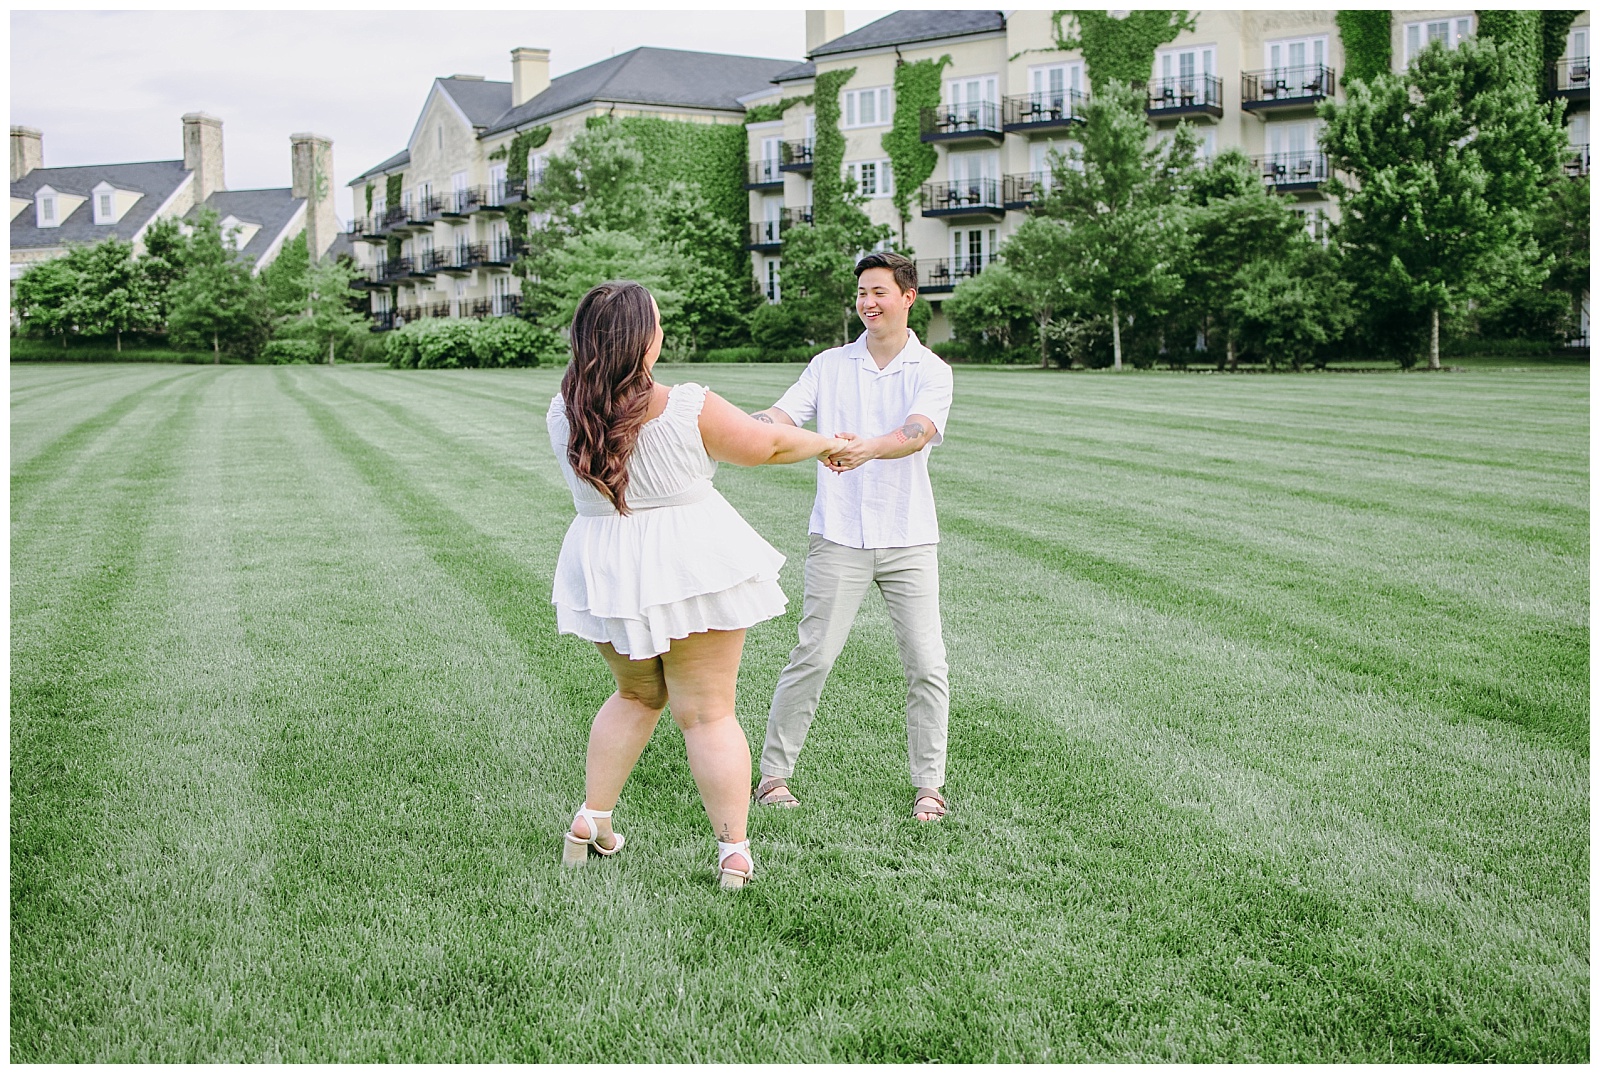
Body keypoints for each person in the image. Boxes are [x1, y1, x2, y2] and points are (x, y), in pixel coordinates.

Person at [548, 280, 845, 890]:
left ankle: (591, 819)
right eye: (656, 325)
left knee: (635, 696)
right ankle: (734, 851)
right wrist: (828, 443)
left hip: (606, 563)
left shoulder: (563, 411)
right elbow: (766, 445)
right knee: (708, 713)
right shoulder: (686, 404)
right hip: (689, 560)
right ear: (644, 344)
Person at [749, 252, 955, 822]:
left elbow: (917, 433)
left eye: (879, 292)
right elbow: (783, 414)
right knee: (812, 655)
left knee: (927, 664)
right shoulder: (829, 364)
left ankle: (929, 788)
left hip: (908, 538)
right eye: (862, 292)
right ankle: (773, 778)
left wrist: (866, 447)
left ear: (907, 297)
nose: (867, 302)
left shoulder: (931, 370)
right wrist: (739, 424)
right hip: (837, 535)